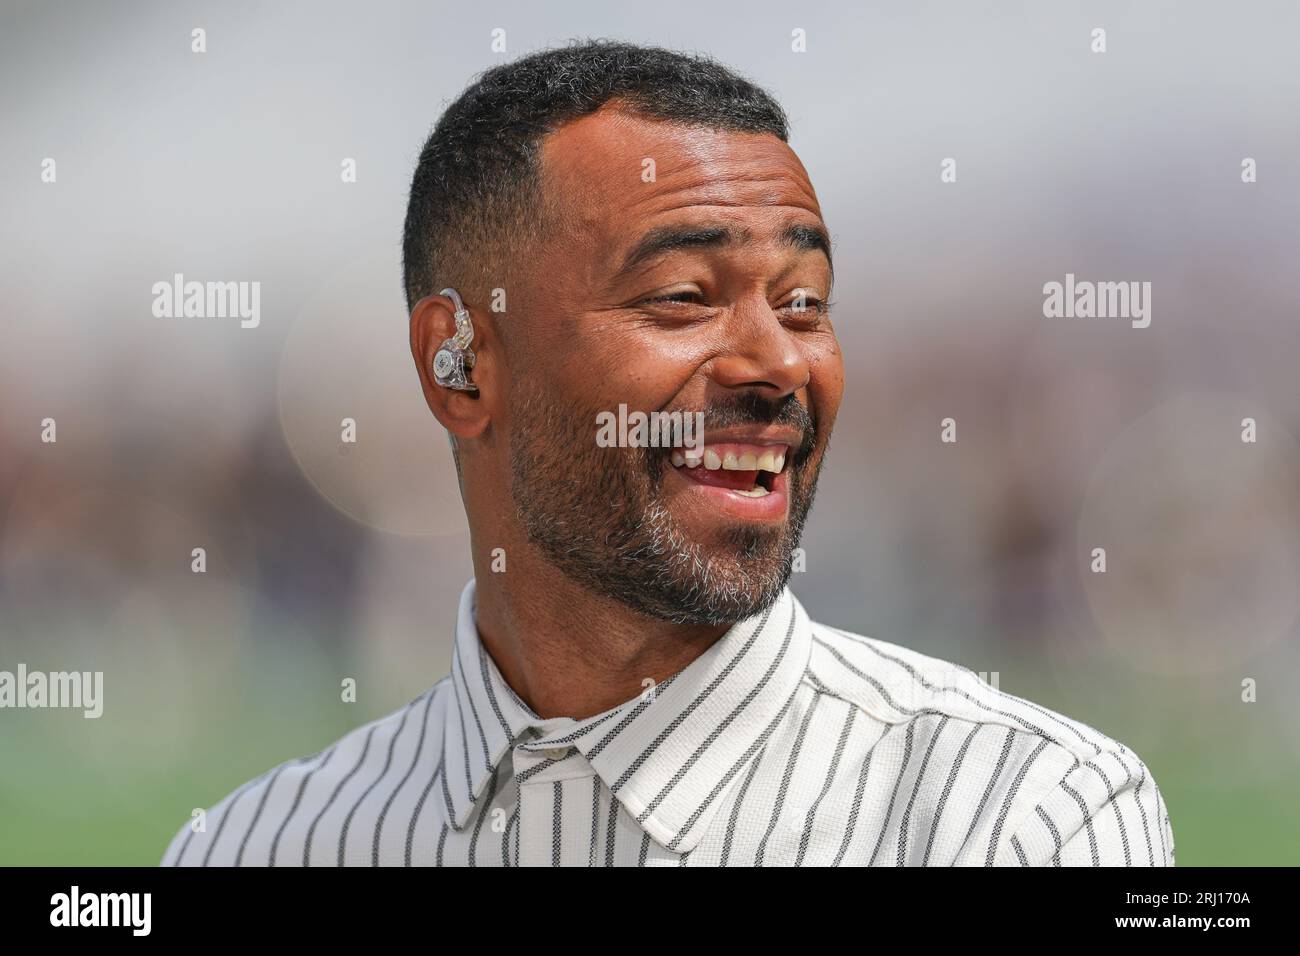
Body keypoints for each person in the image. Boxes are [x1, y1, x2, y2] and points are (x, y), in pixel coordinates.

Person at [163, 40, 1173, 867]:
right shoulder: (252, 849)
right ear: (460, 365)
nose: (778, 363)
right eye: (682, 297)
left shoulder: (1020, 819)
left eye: (803, 302)